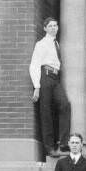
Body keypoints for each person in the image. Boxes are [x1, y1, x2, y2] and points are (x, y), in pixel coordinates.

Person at [29, 16, 70, 157]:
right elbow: (34, 65)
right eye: (51, 26)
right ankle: (49, 148)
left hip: (55, 77)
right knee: (45, 112)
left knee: (65, 105)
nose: (54, 28)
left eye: (55, 25)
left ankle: (63, 143)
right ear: (45, 28)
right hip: (45, 75)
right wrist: (37, 86)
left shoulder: (56, 43)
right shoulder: (41, 44)